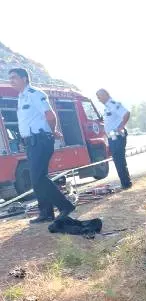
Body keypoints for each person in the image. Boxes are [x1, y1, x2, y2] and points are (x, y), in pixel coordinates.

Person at [8, 68, 75, 223]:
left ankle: (65, 206)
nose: (11, 81)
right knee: (37, 177)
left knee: (38, 177)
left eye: (14, 78)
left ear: (24, 78)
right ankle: (46, 213)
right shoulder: (21, 96)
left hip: (41, 140)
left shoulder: (35, 94)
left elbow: (50, 116)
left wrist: (53, 131)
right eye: (9, 78)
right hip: (31, 142)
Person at [96, 89, 132, 189]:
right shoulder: (107, 107)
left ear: (106, 94)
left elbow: (126, 113)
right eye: (98, 97)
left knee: (119, 160)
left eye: (100, 96)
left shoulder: (113, 104)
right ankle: (125, 182)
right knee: (117, 160)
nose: (99, 99)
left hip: (118, 136)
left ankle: (126, 183)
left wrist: (121, 126)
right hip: (112, 137)